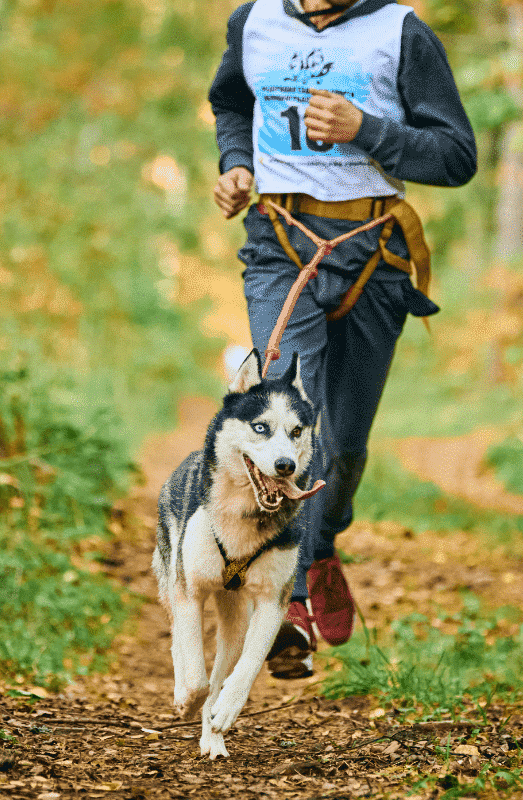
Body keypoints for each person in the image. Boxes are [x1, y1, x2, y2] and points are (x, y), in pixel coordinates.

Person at [207, 0, 477, 678]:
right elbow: (232, 103)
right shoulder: (254, 22)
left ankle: (322, 544)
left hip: (373, 254)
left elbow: (457, 156)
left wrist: (369, 130)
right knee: (289, 420)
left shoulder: (402, 32)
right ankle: (287, 605)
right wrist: (237, 163)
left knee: (345, 444)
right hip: (278, 244)